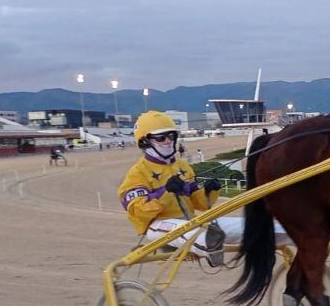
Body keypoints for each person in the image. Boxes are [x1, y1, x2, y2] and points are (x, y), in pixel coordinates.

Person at [117, 111, 290, 266]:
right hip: (157, 227)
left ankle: (290, 234)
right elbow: (137, 212)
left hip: (191, 221)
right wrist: (165, 192)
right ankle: (209, 245)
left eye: (171, 135)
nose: (168, 140)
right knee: (194, 231)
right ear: (145, 142)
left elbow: (201, 205)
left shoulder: (183, 166)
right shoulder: (138, 173)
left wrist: (210, 190)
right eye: (161, 137)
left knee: (248, 225)